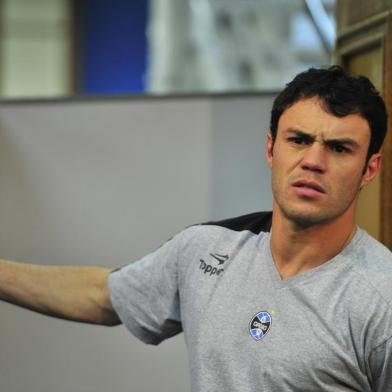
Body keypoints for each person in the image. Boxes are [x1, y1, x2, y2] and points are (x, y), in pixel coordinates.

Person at [0, 65, 391, 391]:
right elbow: (103, 296)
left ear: (369, 169)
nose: (313, 161)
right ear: (271, 149)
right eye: (299, 140)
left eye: (339, 148)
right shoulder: (206, 249)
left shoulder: (381, 297)